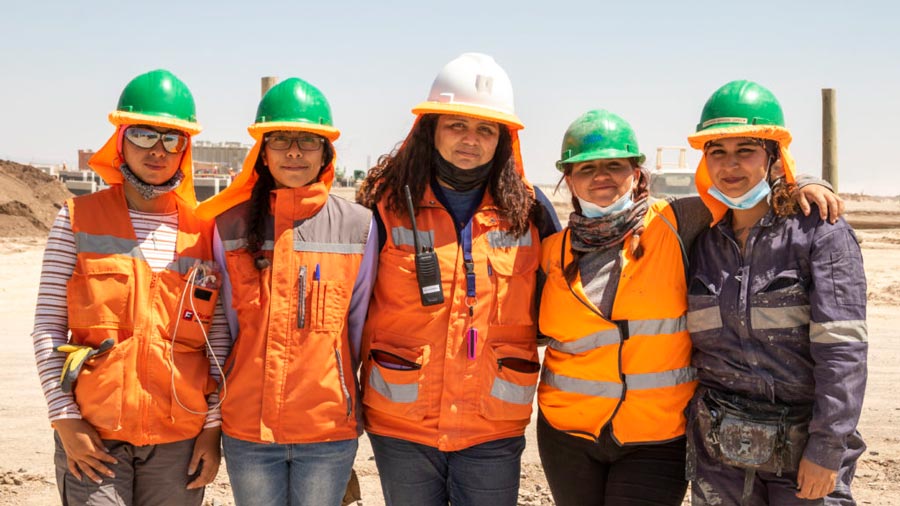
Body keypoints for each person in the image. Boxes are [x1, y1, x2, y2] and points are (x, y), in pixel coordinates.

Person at [536, 108, 845, 506]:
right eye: (585, 168)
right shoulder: (550, 253)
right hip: (566, 435)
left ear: (636, 172)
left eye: (615, 165)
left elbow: (739, 188)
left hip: (657, 436)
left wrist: (802, 181)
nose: (600, 176)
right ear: (569, 178)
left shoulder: (677, 222)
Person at [355, 52, 560, 506]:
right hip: (402, 422)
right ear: (431, 129)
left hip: (493, 425)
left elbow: (560, 305)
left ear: (502, 140)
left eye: (485, 129)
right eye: (457, 126)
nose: (471, 140)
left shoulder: (530, 211)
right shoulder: (385, 204)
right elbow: (352, 307)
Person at [32, 69, 229, 505]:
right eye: (143, 134)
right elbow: (48, 326)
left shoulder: (204, 232)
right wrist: (64, 418)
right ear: (121, 139)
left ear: (185, 148)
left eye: (171, 138)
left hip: (179, 439)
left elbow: (216, 341)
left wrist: (211, 430)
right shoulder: (76, 218)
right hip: (94, 437)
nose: (157, 150)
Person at [194, 77, 377, 506]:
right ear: (263, 150)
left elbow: (357, 326)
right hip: (249, 429)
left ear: (326, 150)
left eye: (307, 140)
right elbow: (230, 328)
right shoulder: (229, 227)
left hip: (327, 428)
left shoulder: (360, 227)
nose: (294, 151)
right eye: (280, 139)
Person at [684, 80, 867, 505]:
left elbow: (843, 354)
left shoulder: (820, 234)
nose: (730, 166)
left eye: (745, 150)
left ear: (773, 157)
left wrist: (826, 451)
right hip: (721, 459)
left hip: (803, 456)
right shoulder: (702, 242)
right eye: (717, 152)